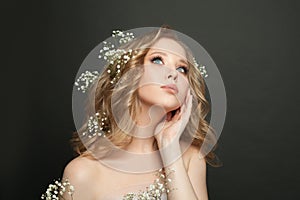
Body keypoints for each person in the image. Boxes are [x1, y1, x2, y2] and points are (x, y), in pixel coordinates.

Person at [43, 27, 221, 200]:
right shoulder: (83, 172)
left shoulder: (191, 158)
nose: (173, 74)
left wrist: (170, 148)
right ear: (131, 72)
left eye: (182, 69)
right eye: (158, 60)